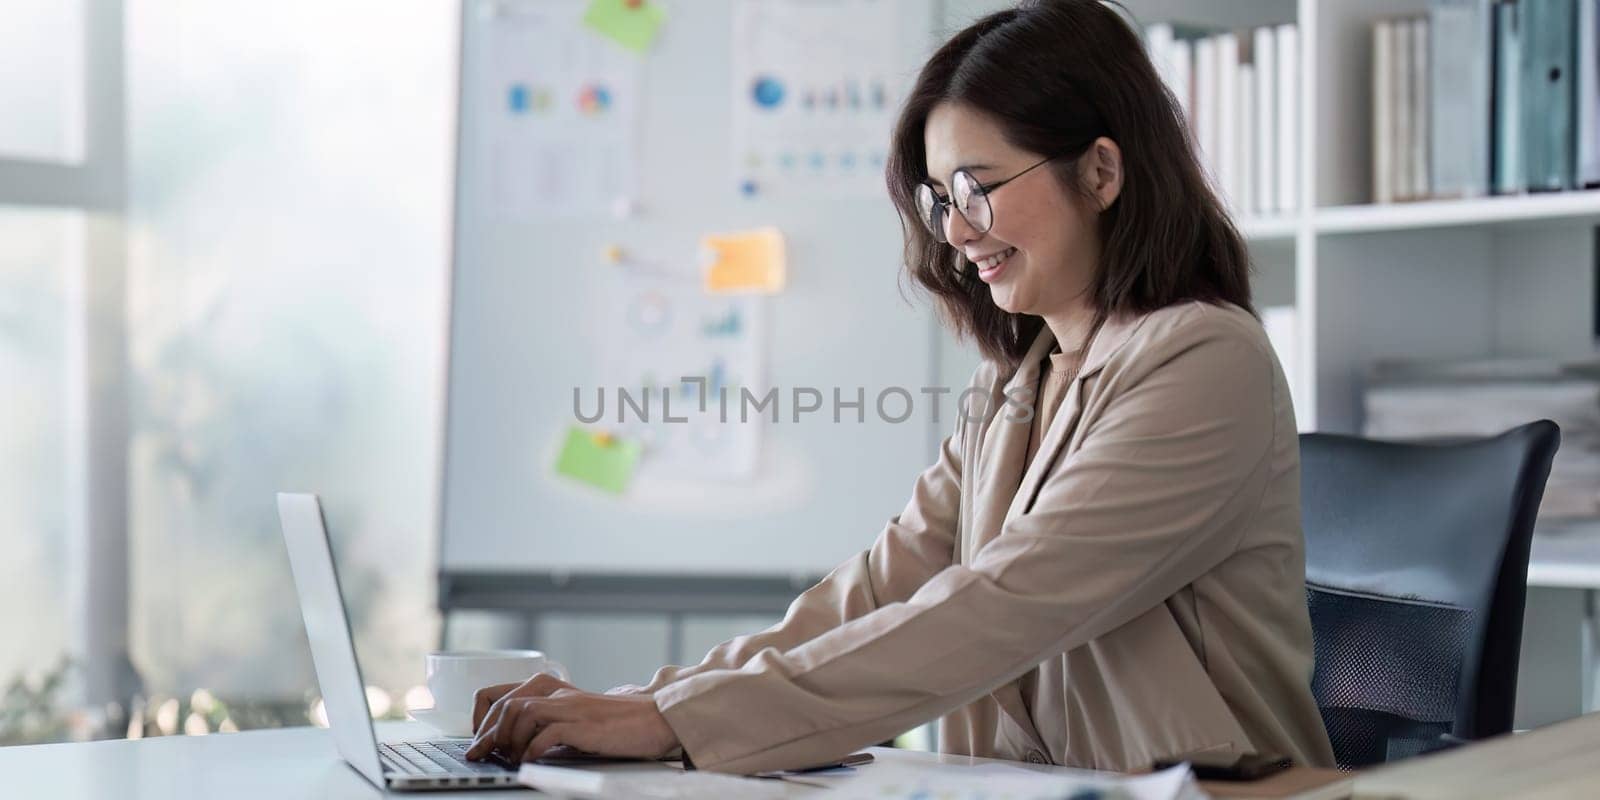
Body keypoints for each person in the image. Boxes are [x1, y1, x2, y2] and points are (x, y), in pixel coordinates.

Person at [467, 0, 1336, 774]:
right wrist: (651, 700)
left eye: (978, 188)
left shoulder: (1205, 361)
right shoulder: (1016, 383)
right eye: (938, 199)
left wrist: (672, 720)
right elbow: (879, 591)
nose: (955, 231)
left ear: (1102, 174)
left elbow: (1003, 606)